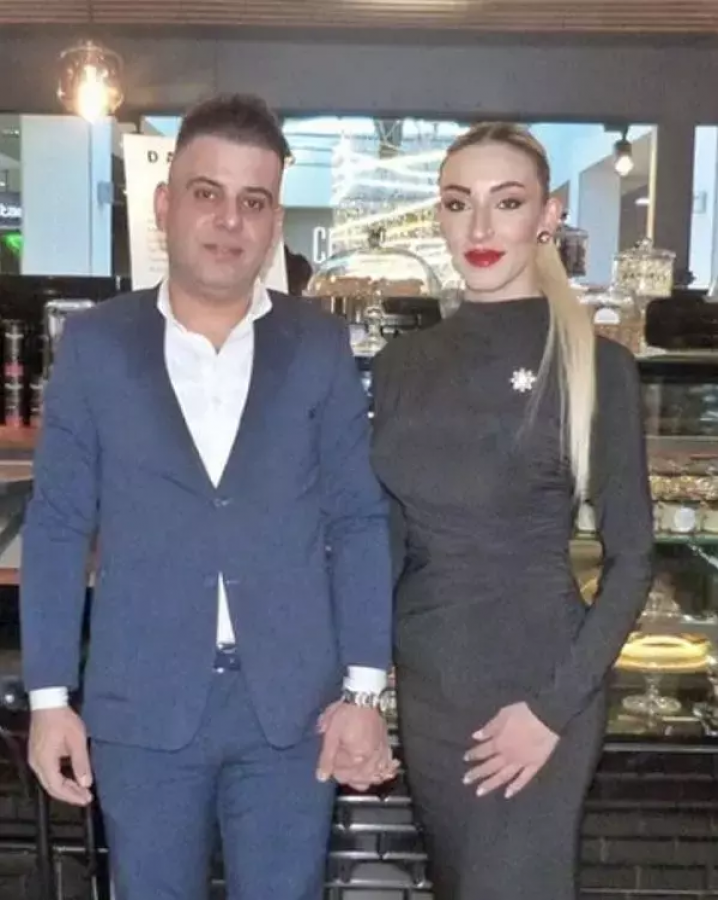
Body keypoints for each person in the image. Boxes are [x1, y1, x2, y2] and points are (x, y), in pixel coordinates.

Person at [21, 93, 396, 900]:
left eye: (254, 201)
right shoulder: (95, 345)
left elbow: (359, 520)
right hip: (141, 703)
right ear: (166, 204)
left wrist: (365, 690)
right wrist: (50, 700)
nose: (230, 220)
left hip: (292, 709)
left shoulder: (320, 344)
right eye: (207, 192)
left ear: (275, 221)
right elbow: (57, 525)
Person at [370, 123, 653, 900]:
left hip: (538, 692)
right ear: (439, 215)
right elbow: (386, 540)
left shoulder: (597, 366)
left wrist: (553, 711)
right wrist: (359, 684)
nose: (481, 227)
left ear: (547, 215)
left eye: (508, 202)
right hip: (428, 691)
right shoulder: (401, 364)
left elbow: (634, 558)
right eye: (459, 203)